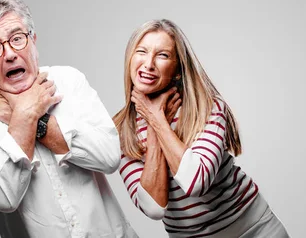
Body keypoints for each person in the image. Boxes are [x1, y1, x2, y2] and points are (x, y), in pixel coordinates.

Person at [0, 0, 137, 238]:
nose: (9, 54)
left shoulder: (69, 81)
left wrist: (33, 120)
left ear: (33, 40)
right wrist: (23, 117)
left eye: (17, 39)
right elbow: (3, 198)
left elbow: (109, 157)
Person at [114, 19, 290, 237]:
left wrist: (157, 120)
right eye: (142, 51)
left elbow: (196, 181)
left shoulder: (207, 107)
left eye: (162, 55)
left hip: (254, 229)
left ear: (178, 68)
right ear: (130, 59)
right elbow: (153, 207)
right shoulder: (122, 132)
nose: (149, 64)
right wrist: (153, 124)